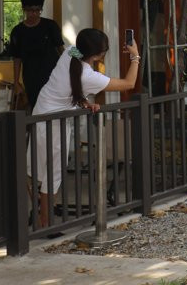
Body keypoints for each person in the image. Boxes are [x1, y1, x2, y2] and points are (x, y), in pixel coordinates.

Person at [28, 28, 141, 228]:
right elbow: (128, 83)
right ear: (99, 55)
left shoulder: (70, 52)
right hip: (55, 122)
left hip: (40, 112)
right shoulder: (89, 76)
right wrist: (135, 56)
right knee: (52, 175)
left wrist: (82, 102)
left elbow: (66, 85)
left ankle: (38, 213)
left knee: (33, 166)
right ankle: (45, 223)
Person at [7, 0, 64, 110]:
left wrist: (75, 60)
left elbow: (62, 49)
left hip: (53, 76)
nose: (34, 13)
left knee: (54, 107)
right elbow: (17, 58)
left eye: (37, 10)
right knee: (36, 107)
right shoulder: (17, 31)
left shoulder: (50, 26)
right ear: (23, 9)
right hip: (31, 78)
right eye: (30, 10)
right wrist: (16, 82)